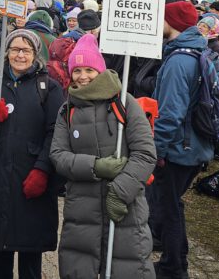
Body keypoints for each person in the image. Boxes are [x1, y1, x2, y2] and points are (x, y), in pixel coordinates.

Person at [50, 34, 156, 278]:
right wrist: (95, 167)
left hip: (124, 207)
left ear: (100, 69)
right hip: (81, 209)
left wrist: (119, 192)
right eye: (77, 70)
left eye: (89, 69)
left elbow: (145, 154)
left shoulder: (124, 102)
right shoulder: (67, 110)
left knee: (126, 268)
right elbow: (58, 155)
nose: (83, 76)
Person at [0, 29, 64, 279]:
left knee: (30, 246)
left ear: (35, 54)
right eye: (15, 49)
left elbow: (55, 132)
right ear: (7, 52)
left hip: (30, 175)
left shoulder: (49, 88)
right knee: (1, 245)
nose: (20, 55)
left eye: (26, 50)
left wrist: (43, 170)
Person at [151, 0, 213, 279]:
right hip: (195, 145)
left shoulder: (179, 61)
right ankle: (175, 262)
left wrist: (153, 152)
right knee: (173, 204)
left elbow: (170, 115)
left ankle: (174, 268)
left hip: (179, 148)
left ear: (172, 23)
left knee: (170, 208)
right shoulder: (200, 51)